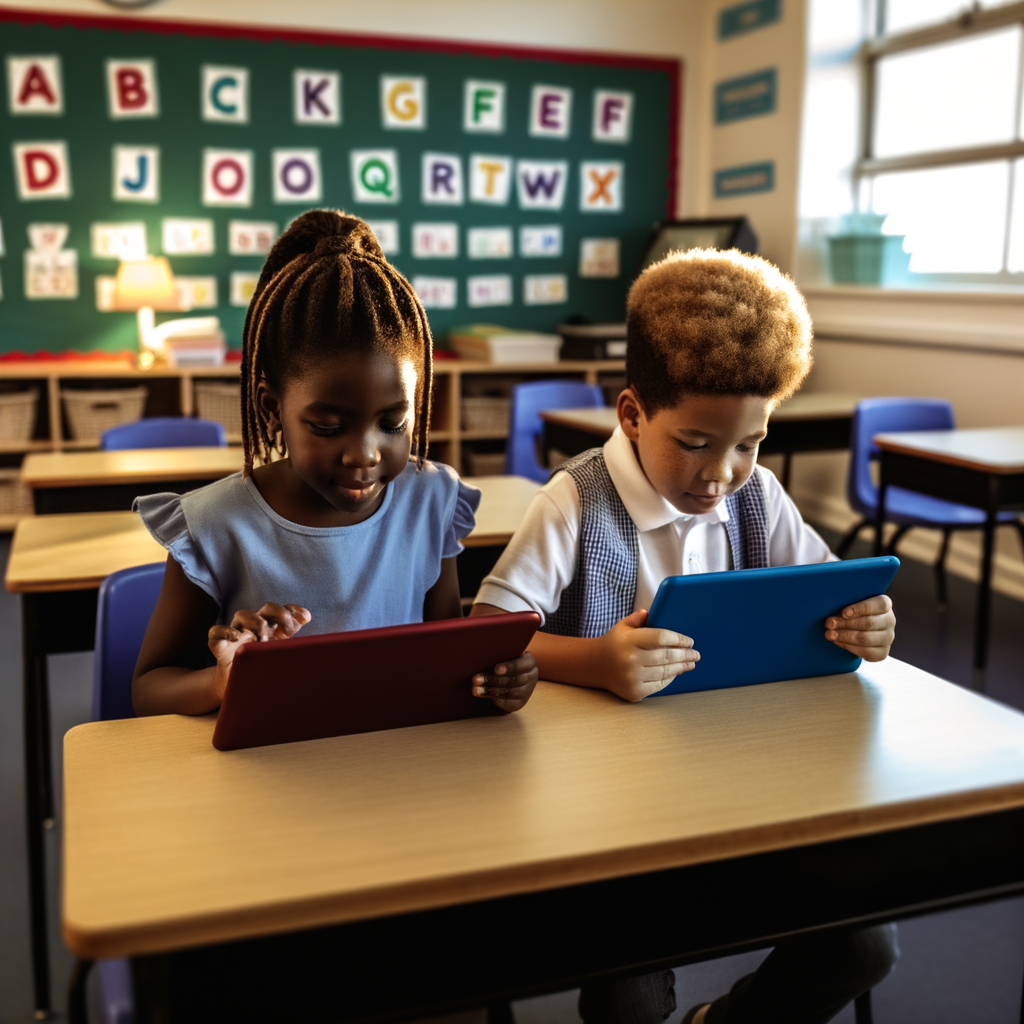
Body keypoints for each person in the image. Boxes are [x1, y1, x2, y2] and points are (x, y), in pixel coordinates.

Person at [471, 248, 898, 1023]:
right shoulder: (574, 500)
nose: (723, 473)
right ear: (632, 415)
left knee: (865, 948)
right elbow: (486, 639)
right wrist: (595, 662)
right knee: (629, 998)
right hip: (605, 815)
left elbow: (836, 591)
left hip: (746, 783)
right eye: (697, 443)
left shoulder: (758, 495)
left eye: (749, 443)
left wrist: (866, 620)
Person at [132, 209, 537, 718]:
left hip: (398, 765)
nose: (364, 453)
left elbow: (442, 651)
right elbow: (149, 688)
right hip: (270, 775)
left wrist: (498, 679)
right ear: (271, 408)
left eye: (393, 423)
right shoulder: (213, 524)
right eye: (326, 426)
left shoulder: (431, 500)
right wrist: (221, 680)